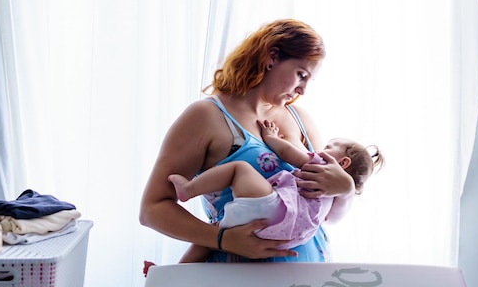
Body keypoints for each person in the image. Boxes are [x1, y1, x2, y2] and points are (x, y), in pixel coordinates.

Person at [139, 18, 357, 262]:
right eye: (301, 75)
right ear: (271, 58)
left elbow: (324, 214)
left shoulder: (301, 120)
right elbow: (152, 209)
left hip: (311, 271)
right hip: (237, 273)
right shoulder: (206, 117)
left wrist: (346, 190)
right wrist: (222, 239)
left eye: (308, 81)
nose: (302, 90)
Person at [168, 119, 385, 263]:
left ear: (343, 162)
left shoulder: (323, 165)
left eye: (329, 147)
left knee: (239, 169)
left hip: (276, 212)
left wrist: (271, 138)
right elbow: (332, 219)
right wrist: (345, 192)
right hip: (290, 237)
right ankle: (172, 276)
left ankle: (188, 189)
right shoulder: (332, 195)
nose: (321, 150)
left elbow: (289, 153)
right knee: (213, 234)